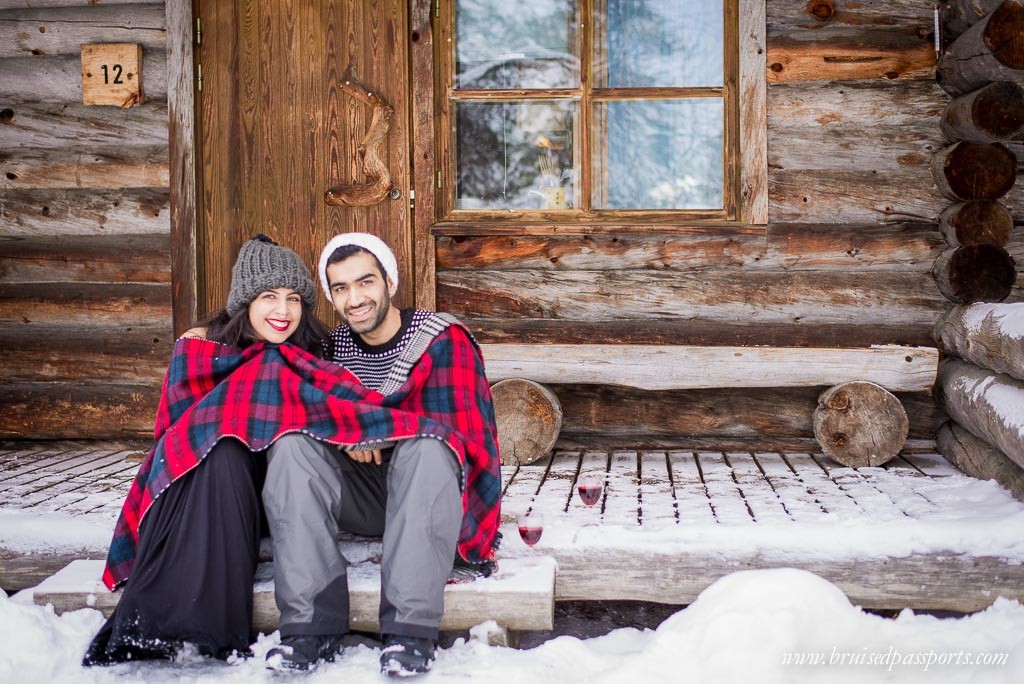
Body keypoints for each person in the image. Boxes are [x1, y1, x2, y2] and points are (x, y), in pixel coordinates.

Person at [262, 232, 501, 676]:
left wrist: (378, 433)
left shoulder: (441, 339)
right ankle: (309, 629)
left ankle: (410, 633)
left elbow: (462, 433)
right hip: (366, 498)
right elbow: (307, 415)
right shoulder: (330, 350)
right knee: (291, 445)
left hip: (429, 492)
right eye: (340, 288)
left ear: (389, 281)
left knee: (429, 447)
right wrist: (347, 434)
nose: (355, 298)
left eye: (365, 282)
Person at [84, 234, 327, 665]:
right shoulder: (204, 348)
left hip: (280, 478)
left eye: (293, 298)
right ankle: (160, 620)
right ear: (245, 301)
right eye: (269, 296)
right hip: (199, 474)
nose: (283, 311)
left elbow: (329, 417)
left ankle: (206, 624)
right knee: (222, 450)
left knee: (232, 449)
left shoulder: (312, 353)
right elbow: (174, 431)